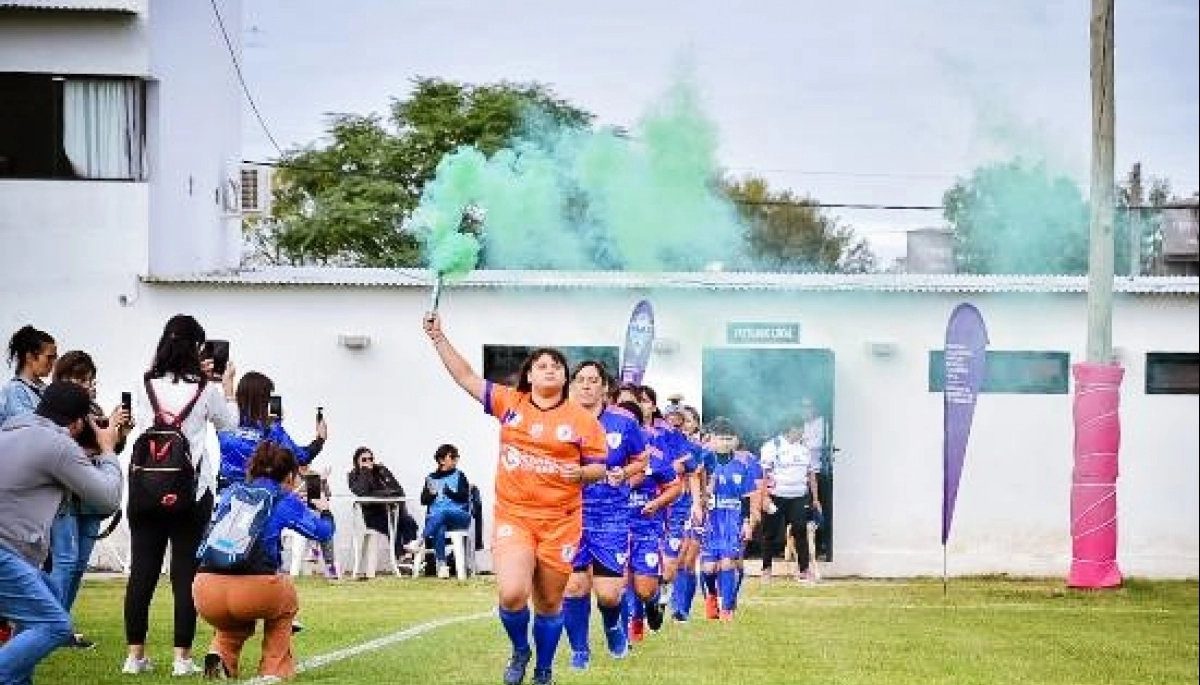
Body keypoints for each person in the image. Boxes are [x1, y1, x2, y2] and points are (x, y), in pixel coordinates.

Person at [423, 312, 608, 685]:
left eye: (557, 365)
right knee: (511, 594)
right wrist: (439, 337)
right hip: (515, 517)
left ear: (564, 377)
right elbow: (466, 378)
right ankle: (520, 650)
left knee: (551, 603)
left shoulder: (584, 421)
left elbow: (599, 468)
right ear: (529, 376)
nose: (550, 369)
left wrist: (582, 473)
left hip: (561, 522)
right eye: (542, 365)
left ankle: (543, 668)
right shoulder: (510, 403)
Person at [122, 314, 238, 677]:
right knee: (184, 575)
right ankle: (181, 658)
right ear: (197, 349)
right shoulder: (205, 388)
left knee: (142, 572)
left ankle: (134, 657)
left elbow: (152, 378)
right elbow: (229, 424)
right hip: (191, 490)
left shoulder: (145, 383)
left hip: (144, 489)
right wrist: (226, 383)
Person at [0, 381, 123, 685]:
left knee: (46, 602)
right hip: (5, 553)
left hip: (12, 554)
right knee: (54, 626)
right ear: (79, 423)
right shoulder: (56, 444)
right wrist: (107, 449)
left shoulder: (9, 432)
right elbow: (108, 497)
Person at [193, 441, 334, 681]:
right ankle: (273, 669)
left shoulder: (231, 492)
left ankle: (221, 653)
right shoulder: (283, 499)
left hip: (205, 588)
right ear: (290, 475)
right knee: (286, 601)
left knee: (234, 622)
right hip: (254, 590)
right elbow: (323, 532)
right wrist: (326, 511)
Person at [562, 361, 647, 670]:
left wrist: (623, 472)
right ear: (572, 385)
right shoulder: (560, 419)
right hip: (569, 514)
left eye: (593, 380)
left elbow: (642, 459)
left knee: (609, 595)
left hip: (610, 516)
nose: (586, 385)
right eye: (581, 379)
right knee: (574, 586)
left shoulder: (623, 422)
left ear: (605, 387)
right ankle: (579, 652)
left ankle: (613, 627)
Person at [48, 351, 135, 649]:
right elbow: (66, 451)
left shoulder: (92, 408)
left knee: (77, 565)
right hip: (65, 498)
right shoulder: (55, 409)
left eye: (89, 379)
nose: (86, 384)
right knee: (64, 563)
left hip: (91, 499)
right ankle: (50, 627)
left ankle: (63, 626)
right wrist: (103, 445)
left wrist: (118, 434)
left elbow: (108, 449)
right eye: (79, 378)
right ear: (62, 378)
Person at [216, 371, 327, 492]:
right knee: (312, 487)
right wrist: (320, 439)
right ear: (264, 400)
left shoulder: (225, 424)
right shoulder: (272, 431)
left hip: (225, 496)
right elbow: (301, 457)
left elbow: (231, 404)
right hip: (258, 498)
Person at [698, 417, 762, 622]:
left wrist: (747, 523)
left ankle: (727, 609)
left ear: (735, 441)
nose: (725, 442)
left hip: (732, 520)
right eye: (721, 438)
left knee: (727, 563)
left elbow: (747, 497)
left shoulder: (742, 465)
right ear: (711, 439)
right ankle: (712, 597)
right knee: (708, 568)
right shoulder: (704, 462)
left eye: (729, 438)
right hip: (710, 520)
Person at [759, 410, 823, 584]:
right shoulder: (772, 446)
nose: (802, 432)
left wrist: (815, 498)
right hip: (776, 496)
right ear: (789, 429)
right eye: (799, 429)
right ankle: (766, 569)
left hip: (799, 497)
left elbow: (811, 475)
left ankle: (804, 570)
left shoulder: (804, 449)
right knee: (769, 534)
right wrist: (765, 497)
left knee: (800, 530)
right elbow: (763, 475)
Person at [347, 447, 416, 579]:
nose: (369, 462)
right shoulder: (353, 476)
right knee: (393, 527)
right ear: (357, 462)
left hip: (392, 511)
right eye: (364, 460)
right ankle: (402, 558)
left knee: (409, 521)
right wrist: (365, 471)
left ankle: (408, 556)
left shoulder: (381, 471)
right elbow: (361, 492)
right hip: (373, 516)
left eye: (371, 459)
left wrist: (381, 492)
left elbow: (398, 490)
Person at [414, 443, 472, 579]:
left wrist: (449, 492)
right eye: (452, 456)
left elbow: (464, 497)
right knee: (439, 526)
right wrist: (432, 494)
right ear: (441, 460)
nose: (456, 459)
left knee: (443, 513)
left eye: (457, 457)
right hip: (437, 519)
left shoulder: (460, 475)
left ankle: (420, 541)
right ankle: (442, 566)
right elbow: (423, 500)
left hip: (458, 516)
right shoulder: (431, 478)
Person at [0, 325, 56, 426]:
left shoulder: (45, 390)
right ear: (29, 357)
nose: (53, 362)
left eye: (55, 357)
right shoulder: (15, 391)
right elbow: (28, 429)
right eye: (49, 357)